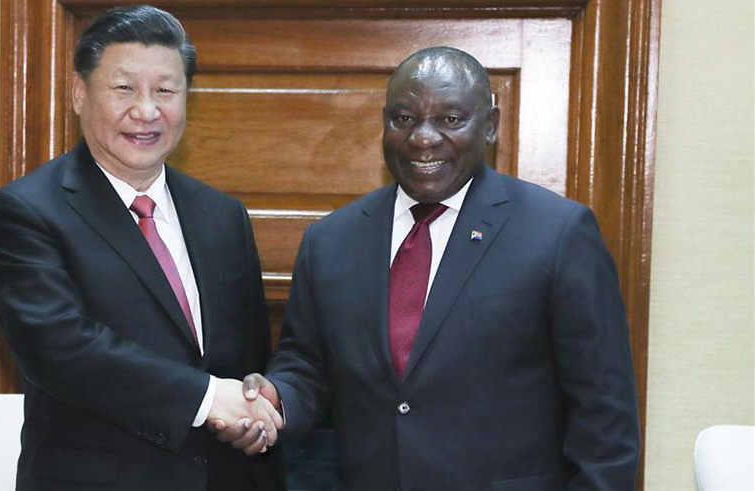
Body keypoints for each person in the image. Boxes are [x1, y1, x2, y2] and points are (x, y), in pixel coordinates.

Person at [214, 47, 640, 490]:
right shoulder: (332, 240)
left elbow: (605, 416)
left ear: (490, 126)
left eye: (451, 120)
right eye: (404, 119)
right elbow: (307, 364)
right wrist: (276, 400)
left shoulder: (558, 233)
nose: (423, 138)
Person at [0, 5, 284, 490]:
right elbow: (61, 350)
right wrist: (207, 398)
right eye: (123, 88)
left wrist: (253, 417)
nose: (146, 111)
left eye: (165, 90)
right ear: (80, 93)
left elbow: (247, 360)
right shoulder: (26, 212)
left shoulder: (223, 216)